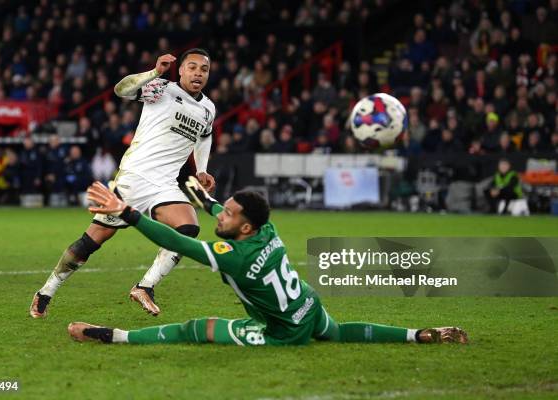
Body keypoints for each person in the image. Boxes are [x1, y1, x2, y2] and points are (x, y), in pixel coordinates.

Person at [67, 179, 468, 346]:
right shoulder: (267, 229)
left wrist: (130, 213)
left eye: (227, 214)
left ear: (244, 228)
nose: (220, 217)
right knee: (339, 332)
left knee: (197, 329)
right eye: (221, 210)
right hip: (309, 306)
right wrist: (206, 202)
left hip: (283, 331)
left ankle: (114, 337)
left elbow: (175, 240)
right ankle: (417, 334)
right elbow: (235, 217)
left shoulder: (234, 257)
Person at [30, 49, 216, 318]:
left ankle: (145, 287)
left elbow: (204, 136)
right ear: (181, 70)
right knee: (92, 241)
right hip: (135, 178)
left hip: (165, 184)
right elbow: (122, 90)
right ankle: (47, 290)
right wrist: (154, 72)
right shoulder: (162, 88)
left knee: (188, 227)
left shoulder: (208, 108)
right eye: (192, 67)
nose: (198, 73)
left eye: (204, 69)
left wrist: (202, 170)